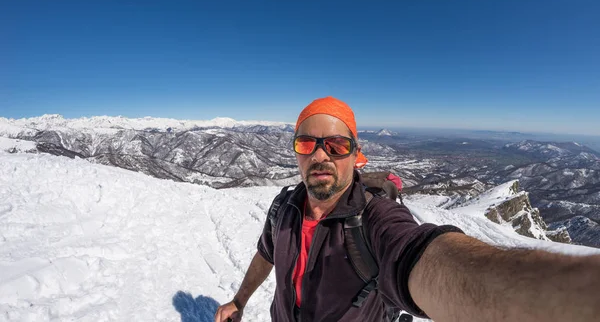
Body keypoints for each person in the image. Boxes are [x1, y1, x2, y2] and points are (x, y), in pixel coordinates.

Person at [215, 96, 600, 322]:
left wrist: (553, 296)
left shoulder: (373, 219)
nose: (319, 155)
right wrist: (239, 300)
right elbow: (267, 254)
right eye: (306, 144)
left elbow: (419, 255)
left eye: (335, 145)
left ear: (355, 154)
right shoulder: (285, 207)